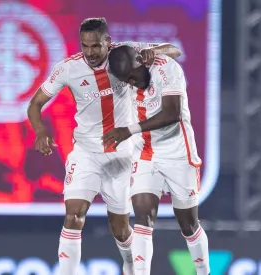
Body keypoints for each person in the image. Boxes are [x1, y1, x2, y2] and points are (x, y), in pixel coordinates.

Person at [27, 18, 181, 275]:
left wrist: (154, 52)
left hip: (122, 154)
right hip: (86, 153)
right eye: (85, 46)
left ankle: (132, 265)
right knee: (74, 215)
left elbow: (174, 50)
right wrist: (41, 131)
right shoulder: (68, 68)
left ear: (108, 43)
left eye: (96, 46)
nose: (90, 52)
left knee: (120, 228)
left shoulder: (126, 54)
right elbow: (34, 103)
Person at [104, 45, 210, 275]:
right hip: (145, 154)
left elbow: (172, 113)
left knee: (188, 224)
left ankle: (204, 272)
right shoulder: (123, 71)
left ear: (141, 61)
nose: (131, 82)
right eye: (126, 80)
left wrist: (129, 130)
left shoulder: (168, 70)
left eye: (132, 76)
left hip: (178, 153)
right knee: (143, 216)